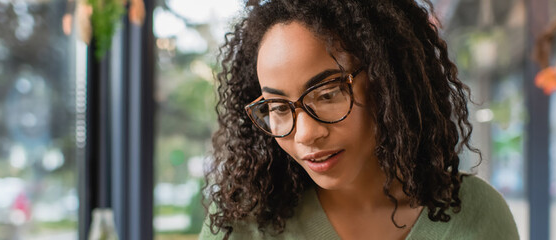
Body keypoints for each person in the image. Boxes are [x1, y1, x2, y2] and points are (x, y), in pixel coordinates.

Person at [200, 0, 519, 239]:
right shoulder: (243, 221)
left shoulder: (477, 215)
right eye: (279, 107)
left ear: (389, 82)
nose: (305, 135)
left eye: (327, 94)